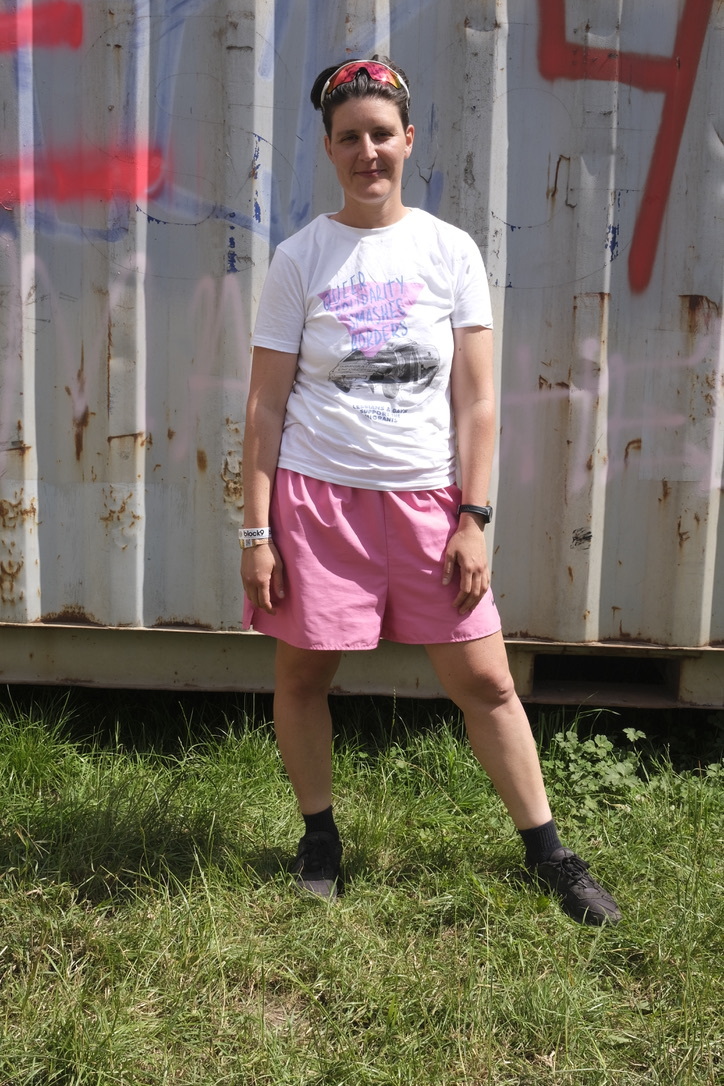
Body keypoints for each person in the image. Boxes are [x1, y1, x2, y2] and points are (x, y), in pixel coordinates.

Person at [240, 57, 621, 925]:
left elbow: (479, 402)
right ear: (329, 151)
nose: (367, 151)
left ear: (408, 141)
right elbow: (263, 407)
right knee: (304, 675)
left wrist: (473, 518)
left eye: (382, 134)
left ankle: (550, 854)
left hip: (426, 503)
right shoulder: (300, 259)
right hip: (318, 501)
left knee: (485, 679)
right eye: (349, 138)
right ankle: (321, 839)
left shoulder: (450, 251)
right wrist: (255, 533)